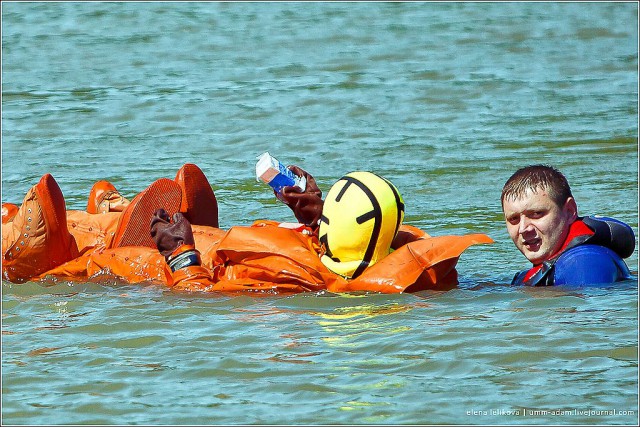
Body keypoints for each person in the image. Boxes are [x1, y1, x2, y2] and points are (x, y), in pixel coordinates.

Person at [501, 164, 635, 286]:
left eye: (536, 213)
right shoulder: (560, 265)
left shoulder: (584, 262)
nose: (523, 228)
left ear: (570, 211)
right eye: (513, 219)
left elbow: (589, 308)